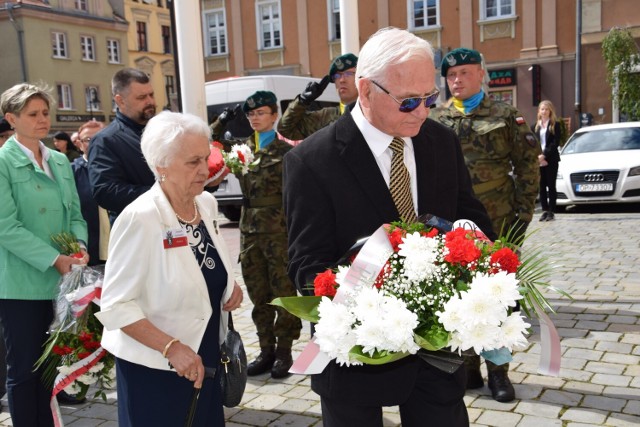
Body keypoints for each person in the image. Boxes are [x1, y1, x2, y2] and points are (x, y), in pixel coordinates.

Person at [284, 27, 496, 427]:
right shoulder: (312, 161)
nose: (422, 111)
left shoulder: (441, 141)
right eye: (409, 101)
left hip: (436, 352)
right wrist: (368, 301)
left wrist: (485, 272)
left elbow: (472, 218)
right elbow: (305, 264)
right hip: (355, 355)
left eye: (430, 98)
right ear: (366, 91)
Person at [95, 111, 243, 426]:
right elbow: (116, 306)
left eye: (206, 158)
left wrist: (229, 287)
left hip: (206, 355)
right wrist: (171, 347)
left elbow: (208, 266)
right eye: (193, 162)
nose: (205, 169)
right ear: (161, 164)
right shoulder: (140, 218)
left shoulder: (206, 204)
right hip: (156, 365)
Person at [430, 47, 541, 403]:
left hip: (497, 225)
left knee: (499, 302)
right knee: (459, 297)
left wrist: (521, 219)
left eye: (464, 73)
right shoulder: (434, 119)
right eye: (450, 76)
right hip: (451, 228)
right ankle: (468, 368)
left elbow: (527, 169)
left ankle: (499, 373)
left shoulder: (507, 116)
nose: (457, 81)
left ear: (481, 74)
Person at [0, 83, 88, 425]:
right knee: (23, 370)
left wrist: (79, 248)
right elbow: (5, 226)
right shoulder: (4, 162)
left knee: (50, 367)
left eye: (45, 113)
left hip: (61, 280)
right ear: (11, 118)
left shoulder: (60, 160)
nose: (42, 120)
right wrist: (55, 258)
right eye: (32, 114)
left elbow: (76, 215)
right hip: (20, 283)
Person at [211, 91, 302, 379]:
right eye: (250, 114)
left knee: (284, 293)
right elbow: (210, 141)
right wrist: (224, 118)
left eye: (261, 112)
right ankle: (266, 350)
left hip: (279, 232)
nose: (254, 118)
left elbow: (296, 196)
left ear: (274, 116)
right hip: (249, 232)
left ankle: (285, 352)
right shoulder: (241, 150)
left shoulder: (286, 152)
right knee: (257, 292)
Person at [87, 67, 157, 225]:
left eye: (151, 95)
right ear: (120, 100)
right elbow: (105, 192)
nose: (150, 102)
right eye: (141, 97)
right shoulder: (105, 141)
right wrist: (162, 194)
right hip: (136, 232)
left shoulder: (164, 131)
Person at [276, 53, 359, 141]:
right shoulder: (326, 116)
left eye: (348, 74)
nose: (342, 80)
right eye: (337, 76)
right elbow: (285, 129)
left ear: (360, 77)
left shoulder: (372, 112)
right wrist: (303, 101)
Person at [73, 120, 109, 265]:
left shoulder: (121, 168)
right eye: (88, 140)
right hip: (89, 250)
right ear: (80, 144)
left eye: (99, 138)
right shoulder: (72, 172)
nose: (94, 143)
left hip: (124, 246)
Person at [532, 100, 563, 222]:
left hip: (551, 160)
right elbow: (532, 143)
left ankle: (551, 211)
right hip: (539, 159)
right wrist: (538, 157)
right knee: (541, 186)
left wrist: (544, 155)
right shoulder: (535, 126)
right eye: (542, 109)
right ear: (539, 111)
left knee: (551, 185)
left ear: (550, 111)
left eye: (546, 109)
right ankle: (544, 210)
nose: (544, 111)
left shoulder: (555, 125)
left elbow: (555, 143)